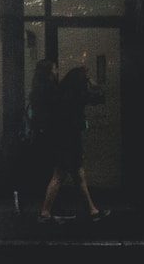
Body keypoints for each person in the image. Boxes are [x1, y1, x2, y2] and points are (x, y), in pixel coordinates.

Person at [39, 60, 107, 224]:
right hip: (70, 143)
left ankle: (92, 211)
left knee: (76, 176)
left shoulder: (62, 95)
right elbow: (99, 96)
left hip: (63, 141)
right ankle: (45, 212)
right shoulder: (78, 97)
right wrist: (90, 80)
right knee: (61, 176)